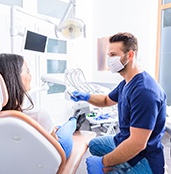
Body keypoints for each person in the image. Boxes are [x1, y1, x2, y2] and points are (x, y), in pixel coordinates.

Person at [70, 32, 166, 174]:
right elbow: (106, 100)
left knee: (104, 166)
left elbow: (137, 144)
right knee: (94, 145)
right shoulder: (126, 83)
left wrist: (103, 162)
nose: (109, 60)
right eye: (109, 55)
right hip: (123, 139)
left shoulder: (145, 92)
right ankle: (117, 163)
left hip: (144, 157)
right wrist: (86, 96)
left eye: (114, 55)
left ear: (130, 55)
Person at [0, 53, 86, 159]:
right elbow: (56, 148)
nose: (31, 76)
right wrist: (52, 133)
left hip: (11, 162)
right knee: (67, 130)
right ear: (15, 78)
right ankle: (74, 120)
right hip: (49, 159)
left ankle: (60, 126)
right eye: (28, 71)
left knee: (58, 128)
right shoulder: (38, 115)